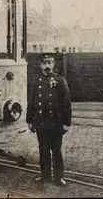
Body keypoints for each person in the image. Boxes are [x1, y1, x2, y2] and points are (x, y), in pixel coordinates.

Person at [26, 53, 72, 187]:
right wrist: (30, 120)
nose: (47, 66)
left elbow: (66, 103)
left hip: (55, 122)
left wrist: (66, 123)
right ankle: (45, 176)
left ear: (53, 65)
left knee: (56, 150)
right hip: (41, 122)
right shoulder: (36, 81)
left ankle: (59, 177)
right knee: (43, 150)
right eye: (45, 63)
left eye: (50, 63)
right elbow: (31, 102)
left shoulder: (60, 80)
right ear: (40, 65)